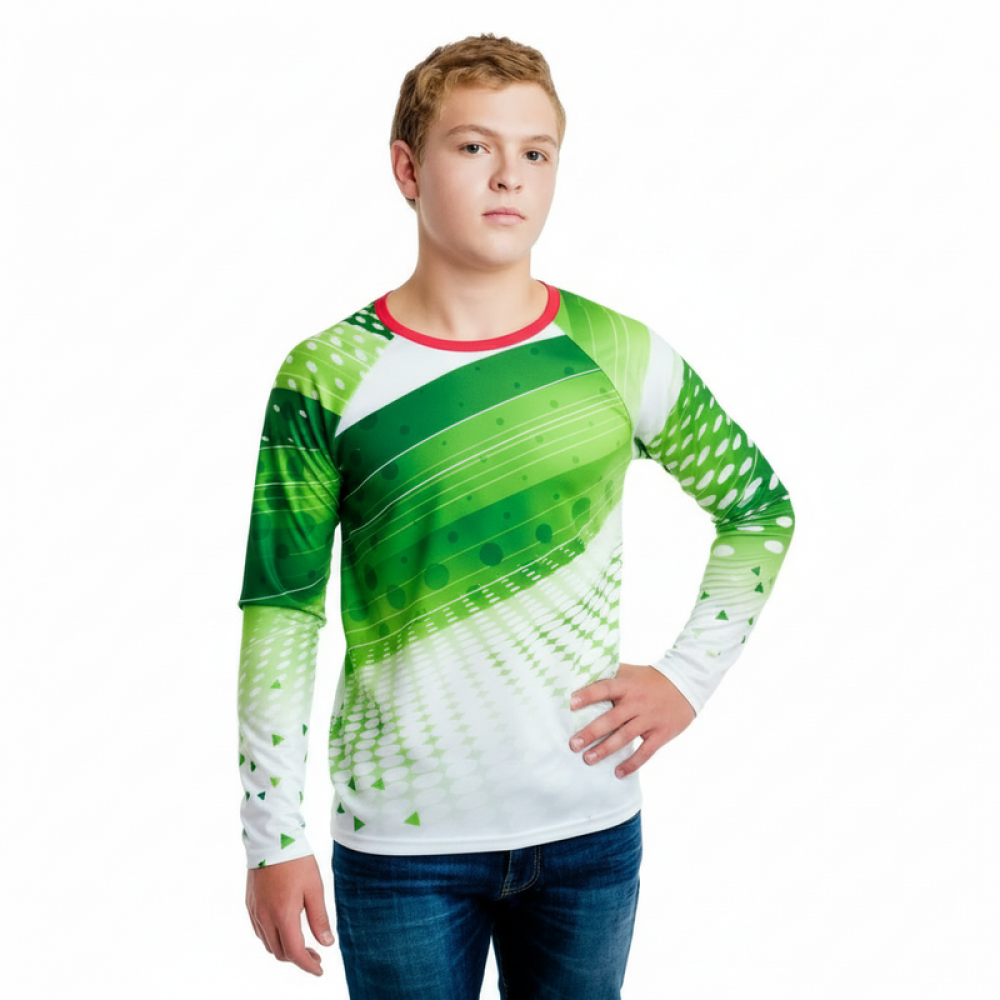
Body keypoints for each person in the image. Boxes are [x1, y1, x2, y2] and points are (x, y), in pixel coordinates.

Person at [237, 33, 795, 999]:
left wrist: (686, 678)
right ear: (408, 169)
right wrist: (271, 835)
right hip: (402, 846)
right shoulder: (326, 374)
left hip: (588, 830)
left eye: (536, 152)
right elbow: (282, 610)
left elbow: (758, 508)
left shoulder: (619, 351)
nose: (510, 176)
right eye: (473, 146)